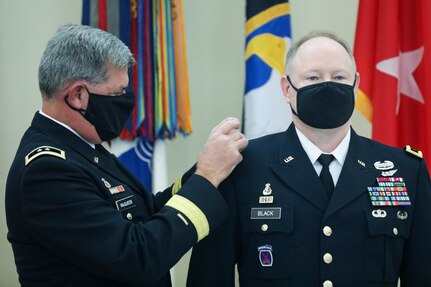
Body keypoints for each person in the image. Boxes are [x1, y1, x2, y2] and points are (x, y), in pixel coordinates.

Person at [5, 24, 248, 287]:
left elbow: (145, 212)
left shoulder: (81, 144)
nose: (127, 100)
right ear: (77, 95)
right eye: (117, 93)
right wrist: (206, 178)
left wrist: (203, 171)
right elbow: (138, 257)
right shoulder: (47, 170)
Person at [187, 31, 431, 287]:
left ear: (356, 86)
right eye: (313, 77)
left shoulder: (405, 170)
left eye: (339, 77)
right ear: (287, 89)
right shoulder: (241, 168)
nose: (327, 86)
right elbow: (209, 276)